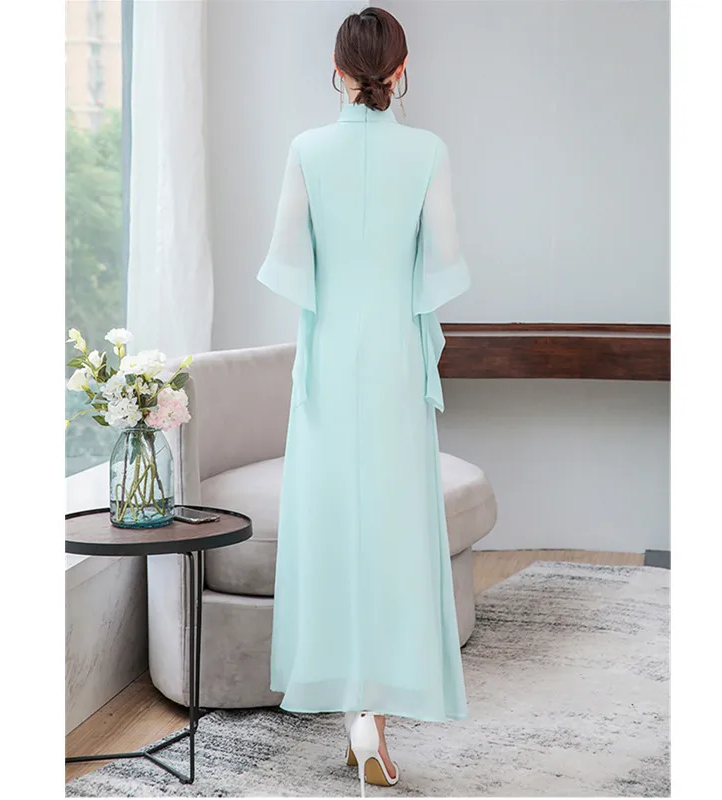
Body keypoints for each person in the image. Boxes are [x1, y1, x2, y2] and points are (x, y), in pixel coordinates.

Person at [257, 7, 471, 795]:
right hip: (395, 362)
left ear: (338, 71)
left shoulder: (306, 150)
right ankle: (373, 718)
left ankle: (356, 714)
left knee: (332, 529)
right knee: (393, 532)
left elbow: (289, 264)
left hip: (327, 363)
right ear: (402, 70)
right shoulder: (428, 151)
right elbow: (441, 265)